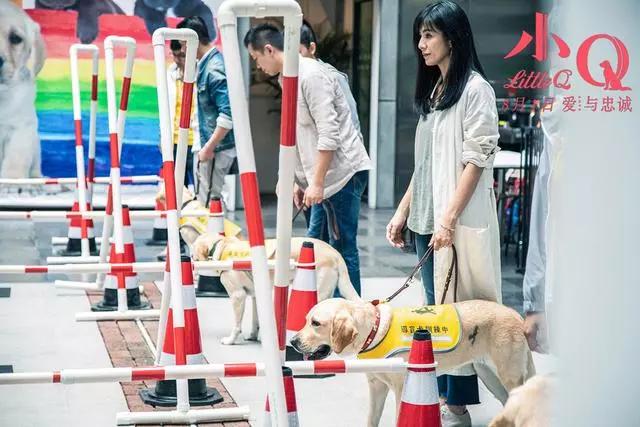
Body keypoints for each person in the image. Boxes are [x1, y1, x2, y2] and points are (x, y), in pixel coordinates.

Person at [385, 2, 501, 426]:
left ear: (452, 37)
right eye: (420, 36)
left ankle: (457, 407)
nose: (421, 45)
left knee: (457, 314)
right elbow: (425, 164)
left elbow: (477, 160)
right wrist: (402, 212)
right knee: (438, 312)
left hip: (450, 223)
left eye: (429, 35)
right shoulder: (436, 91)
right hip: (426, 221)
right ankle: (450, 399)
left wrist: (448, 218)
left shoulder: (475, 90)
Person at [244, 23, 371, 295]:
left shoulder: (312, 75)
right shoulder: (288, 76)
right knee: (319, 247)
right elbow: (296, 136)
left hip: (341, 175)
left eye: (256, 58)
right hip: (322, 177)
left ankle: (350, 317)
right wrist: (294, 180)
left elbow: (328, 134)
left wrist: (316, 182)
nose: (257, 66)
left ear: (269, 49)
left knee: (340, 247)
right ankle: (324, 315)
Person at [176, 16, 236, 206]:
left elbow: (227, 115)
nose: (183, 50)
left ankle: (214, 236)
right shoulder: (207, 65)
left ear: (192, 40)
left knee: (209, 205)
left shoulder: (213, 68)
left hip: (214, 148)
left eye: (183, 45)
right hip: (209, 146)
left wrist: (209, 148)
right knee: (208, 202)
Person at [167, 40, 199, 189]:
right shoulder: (171, 74)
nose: (177, 60)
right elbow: (166, 108)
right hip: (175, 139)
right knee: (178, 188)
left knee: (201, 188)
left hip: (196, 140)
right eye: (174, 55)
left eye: (181, 55)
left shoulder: (202, 73)